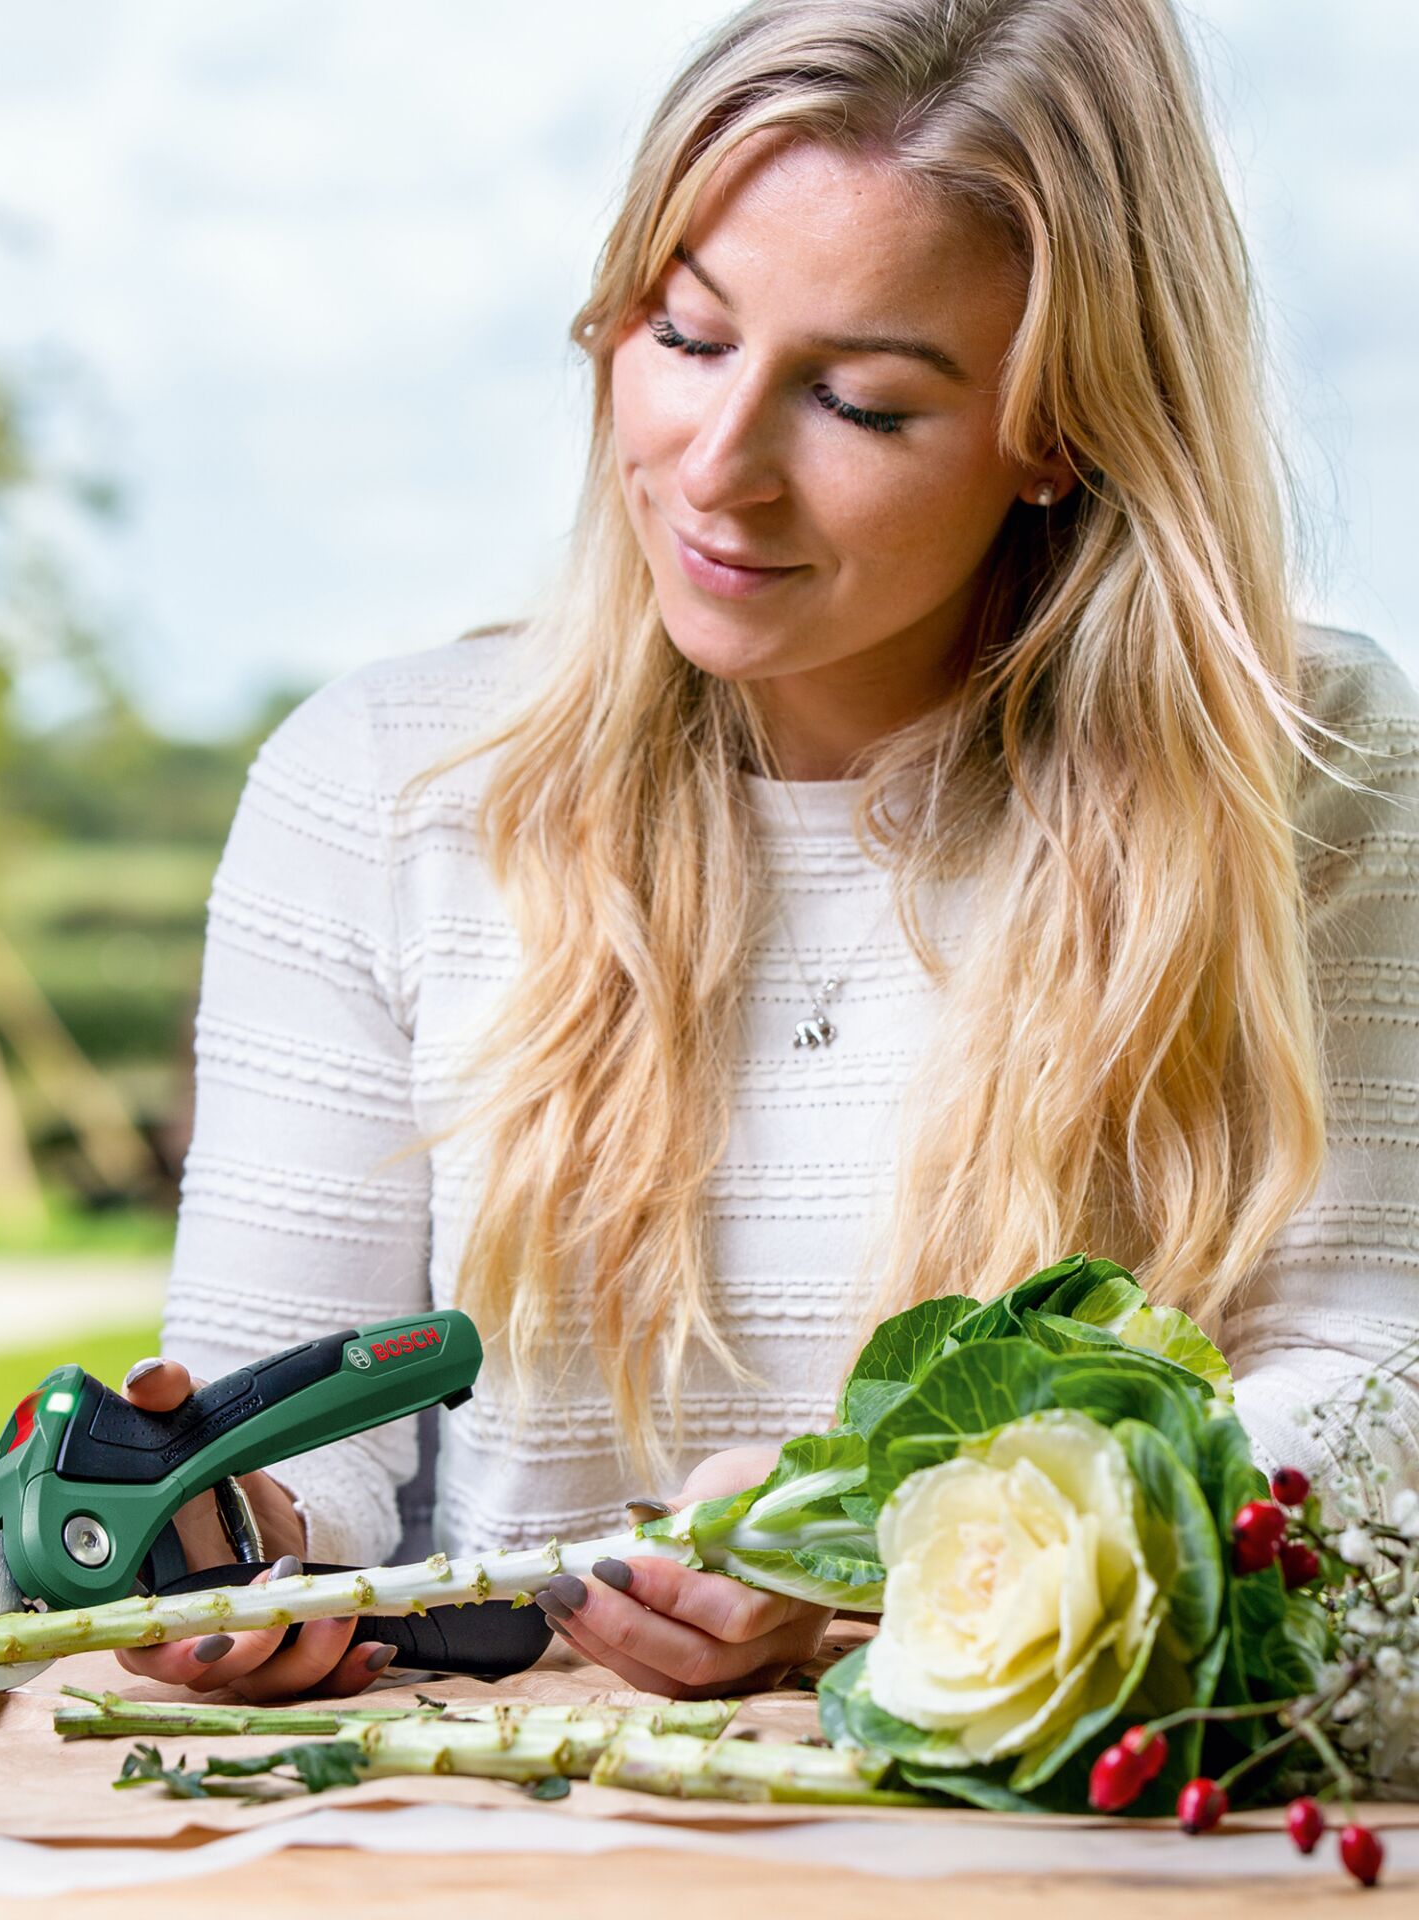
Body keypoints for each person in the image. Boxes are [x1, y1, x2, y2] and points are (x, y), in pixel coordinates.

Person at [113, 0, 1419, 1704]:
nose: (718, 473)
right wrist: (242, 1544)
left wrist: (891, 1553)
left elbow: (1373, 1414)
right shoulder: (378, 784)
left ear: (1059, 431)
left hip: (1042, 1850)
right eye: (687, 336)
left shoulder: (1306, 772)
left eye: (865, 406)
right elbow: (293, 1432)